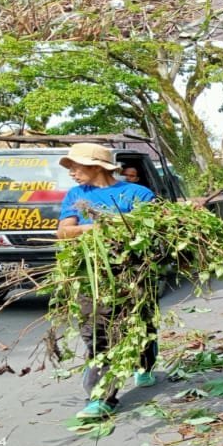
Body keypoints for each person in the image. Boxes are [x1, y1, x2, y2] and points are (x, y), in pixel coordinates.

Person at [54, 143, 159, 420]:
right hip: (92, 275)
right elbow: (63, 233)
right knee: (97, 333)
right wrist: (93, 227)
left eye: (76, 167)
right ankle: (101, 398)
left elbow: (150, 232)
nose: (72, 173)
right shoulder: (77, 195)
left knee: (140, 322)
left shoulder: (138, 193)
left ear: (96, 166)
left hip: (132, 272)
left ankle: (145, 364)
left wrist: (118, 229)